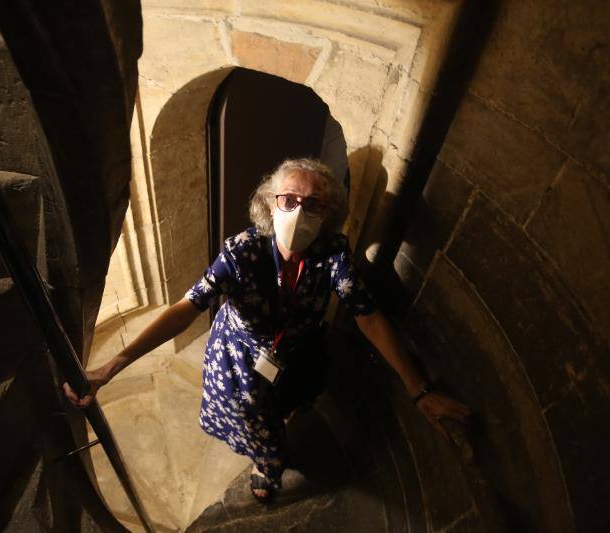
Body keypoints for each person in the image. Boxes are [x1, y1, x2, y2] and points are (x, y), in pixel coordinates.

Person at [63, 158, 472, 502]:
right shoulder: (242, 251)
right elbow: (187, 308)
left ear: (329, 214)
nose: (299, 212)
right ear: (269, 204)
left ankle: (276, 438)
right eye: (289, 200)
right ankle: (268, 464)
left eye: (314, 204)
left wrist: (418, 389)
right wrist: (112, 366)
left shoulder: (332, 253)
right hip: (238, 357)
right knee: (251, 416)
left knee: (291, 397)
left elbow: (367, 315)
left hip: (297, 352)